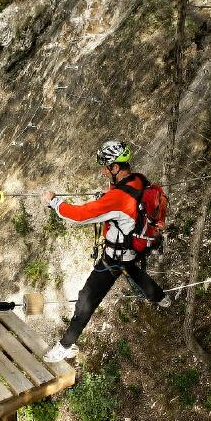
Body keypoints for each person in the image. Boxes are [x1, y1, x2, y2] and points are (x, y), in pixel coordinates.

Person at [40, 140, 171, 363]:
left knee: (85, 299)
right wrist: (108, 197)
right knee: (134, 272)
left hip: (115, 257)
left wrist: (55, 202)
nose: (102, 170)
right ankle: (161, 298)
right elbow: (126, 201)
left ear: (116, 168)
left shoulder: (118, 198)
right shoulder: (138, 179)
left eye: (105, 166)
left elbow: (79, 215)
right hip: (134, 248)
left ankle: (65, 346)